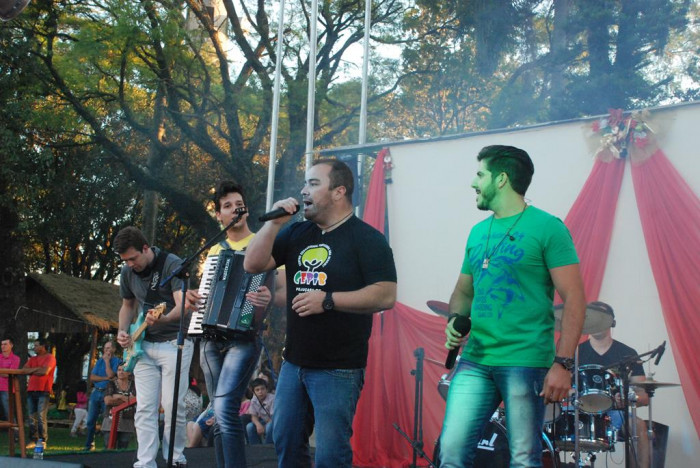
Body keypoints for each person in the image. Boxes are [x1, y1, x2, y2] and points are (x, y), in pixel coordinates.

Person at [438, 145, 586, 467]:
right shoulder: (478, 232)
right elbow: (463, 292)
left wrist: (563, 364)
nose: (473, 182)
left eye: (480, 174)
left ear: (501, 179)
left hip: (525, 361)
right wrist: (455, 319)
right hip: (475, 359)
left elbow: (575, 298)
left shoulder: (548, 227)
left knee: (523, 459)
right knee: (450, 452)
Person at [244, 158, 397, 467]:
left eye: (313, 184)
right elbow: (253, 264)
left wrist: (328, 300)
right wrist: (273, 224)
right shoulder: (298, 232)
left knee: (330, 454)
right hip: (294, 362)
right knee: (285, 439)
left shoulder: (367, 239)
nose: (304, 191)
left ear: (339, 191)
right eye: (305, 183)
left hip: (338, 368)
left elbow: (386, 295)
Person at [186, 180, 283, 468]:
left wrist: (269, 296)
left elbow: (283, 291)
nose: (235, 209)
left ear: (246, 210)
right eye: (227, 206)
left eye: (239, 204)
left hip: (244, 337)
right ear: (219, 215)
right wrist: (195, 299)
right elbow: (208, 294)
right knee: (219, 411)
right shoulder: (215, 251)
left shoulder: (263, 243)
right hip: (210, 338)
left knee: (226, 408)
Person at [114, 226, 193, 468]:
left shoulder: (172, 264)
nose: (130, 264)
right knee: (145, 407)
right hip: (143, 345)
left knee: (172, 406)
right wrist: (122, 331)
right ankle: (145, 462)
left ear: (146, 248)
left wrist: (164, 319)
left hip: (175, 342)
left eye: (133, 258)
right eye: (125, 261)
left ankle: (175, 458)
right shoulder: (127, 272)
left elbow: (183, 305)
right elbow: (128, 305)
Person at [577, 301, 650, 468]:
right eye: (592, 317)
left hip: (615, 413)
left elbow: (644, 396)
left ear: (612, 322)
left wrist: (628, 399)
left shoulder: (628, 354)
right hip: (580, 413)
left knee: (639, 426)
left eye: (601, 317)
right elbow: (564, 389)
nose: (596, 321)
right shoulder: (576, 352)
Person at [84, 341, 120, 450]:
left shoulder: (117, 361)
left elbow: (111, 375)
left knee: (107, 420)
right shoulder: (99, 361)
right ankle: (89, 445)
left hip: (107, 393)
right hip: (96, 392)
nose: (106, 350)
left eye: (108, 348)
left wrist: (107, 362)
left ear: (114, 349)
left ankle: (107, 445)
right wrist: (105, 378)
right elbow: (92, 377)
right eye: (105, 348)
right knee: (90, 420)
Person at [23, 338, 57, 448]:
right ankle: (33, 439)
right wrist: (37, 369)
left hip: (44, 390)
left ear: (43, 347)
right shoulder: (32, 359)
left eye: (36, 345)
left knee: (41, 416)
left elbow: (45, 371)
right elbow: (24, 370)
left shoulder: (50, 358)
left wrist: (32, 370)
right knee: (31, 416)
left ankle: (42, 440)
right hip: (31, 389)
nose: (34, 347)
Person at [103, 363, 137, 449]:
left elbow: (135, 400)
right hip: (110, 420)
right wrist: (126, 398)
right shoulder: (111, 384)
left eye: (124, 370)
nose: (121, 372)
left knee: (123, 449)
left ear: (129, 372)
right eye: (119, 370)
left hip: (127, 421)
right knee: (108, 447)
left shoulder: (134, 385)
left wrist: (117, 396)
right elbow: (108, 401)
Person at [245, 378, 275, 444]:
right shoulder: (254, 400)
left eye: (262, 389)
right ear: (254, 392)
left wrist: (264, 427)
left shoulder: (272, 399)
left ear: (266, 389)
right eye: (257, 390)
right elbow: (254, 416)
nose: (260, 392)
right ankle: (255, 447)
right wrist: (258, 425)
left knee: (269, 427)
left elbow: (274, 418)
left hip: (273, 422)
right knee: (249, 426)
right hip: (264, 421)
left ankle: (268, 446)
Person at [0, 336, 20, 422]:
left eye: (5, 344)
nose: (2, 346)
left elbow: (10, 374)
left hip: (7, 389)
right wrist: (5, 372)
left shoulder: (16, 358)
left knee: (8, 413)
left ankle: (14, 430)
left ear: (11, 345)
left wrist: (6, 373)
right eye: (2, 344)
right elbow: (6, 373)